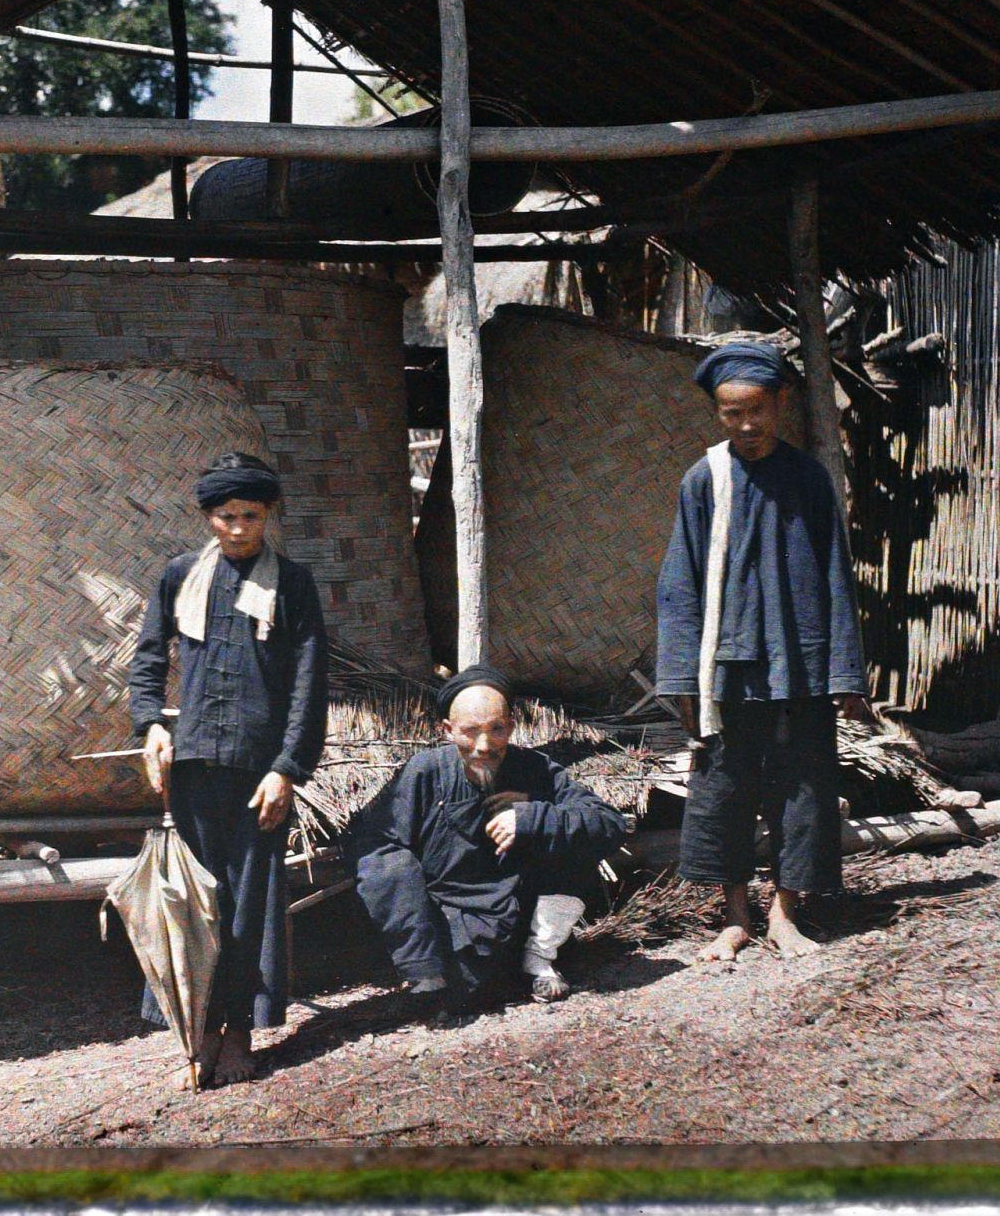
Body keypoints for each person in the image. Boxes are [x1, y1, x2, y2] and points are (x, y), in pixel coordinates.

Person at [655, 340, 875, 962]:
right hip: (727, 669)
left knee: (803, 785)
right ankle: (735, 917)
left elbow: (835, 574)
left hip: (800, 665)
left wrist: (842, 671)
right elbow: (679, 585)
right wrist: (680, 679)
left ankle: (784, 914)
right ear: (717, 412)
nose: (747, 425)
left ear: (780, 403)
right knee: (724, 787)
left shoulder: (808, 478)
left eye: (758, 410)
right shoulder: (705, 481)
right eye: (732, 413)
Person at [129, 452, 329, 1088]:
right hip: (190, 770)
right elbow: (147, 657)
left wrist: (288, 768)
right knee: (193, 905)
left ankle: (239, 1032)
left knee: (248, 911)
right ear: (208, 517)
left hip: (257, 777)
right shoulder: (181, 576)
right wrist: (152, 725)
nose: (237, 528)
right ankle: (196, 1032)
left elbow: (307, 684)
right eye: (225, 517)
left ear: (266, 514)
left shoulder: (292, 585)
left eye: (249, 516)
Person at [349, 665, 628, 1020]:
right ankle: (435, 980)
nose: (484, 746)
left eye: (497, 730)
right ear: (447, 731)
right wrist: (420, 958)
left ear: (511, 726)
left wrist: (531, 818)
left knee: (568, 830)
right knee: (387, 866)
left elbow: (609, 823)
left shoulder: (535, 769)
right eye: (470, 732)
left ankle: (539, 961)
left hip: (523, 921)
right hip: (454, 925)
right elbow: (374, 844)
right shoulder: (424, 772)